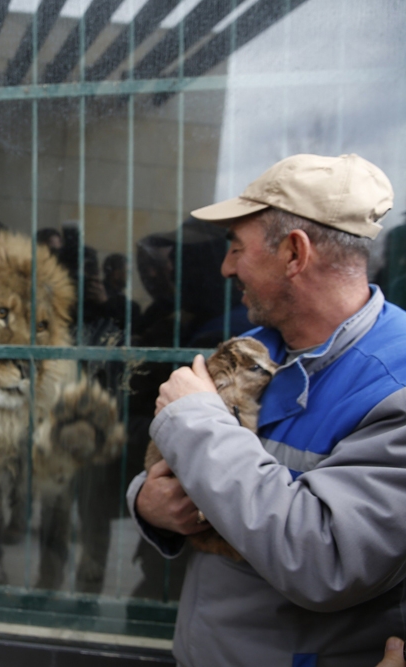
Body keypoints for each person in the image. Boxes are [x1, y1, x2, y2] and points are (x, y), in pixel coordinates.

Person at [127, 154, 406, 666]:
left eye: (237, 248)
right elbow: (197, 478)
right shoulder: (252, 349)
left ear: (294, 254)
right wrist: (148, 504)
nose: (226, 267)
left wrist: (196, 422)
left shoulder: (397, 385)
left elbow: (327, 559)